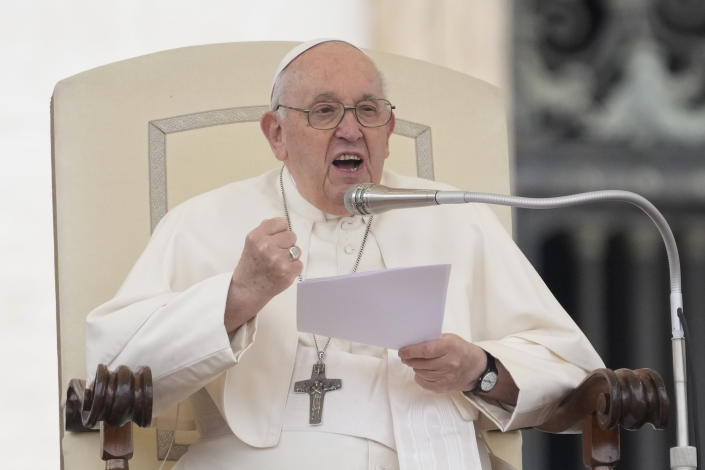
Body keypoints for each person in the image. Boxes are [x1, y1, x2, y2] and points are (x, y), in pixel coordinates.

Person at [86, 39, 603, 470]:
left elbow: (570, 372)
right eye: (325, 111)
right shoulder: (203, 222)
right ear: (277, 135)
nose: (351, 129)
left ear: (388, 131)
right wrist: (237, 297)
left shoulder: (454, 215)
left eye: (368, 111)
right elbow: (109, 373)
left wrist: (481, 370)